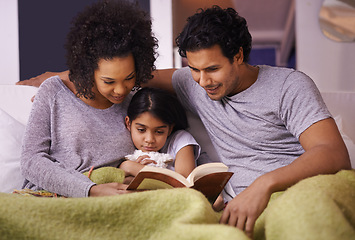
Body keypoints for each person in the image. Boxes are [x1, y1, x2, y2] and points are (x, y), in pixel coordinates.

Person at [18, 5, 352, 239]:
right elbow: (127, 77)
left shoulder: (290, 86)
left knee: (305, 213)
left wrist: (264, 185)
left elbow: (333, 154)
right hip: (242, 206)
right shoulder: (190, 83)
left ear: (238, 55)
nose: (203, 81)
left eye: (212, 69)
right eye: (194, 69)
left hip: (307, 184)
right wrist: (58, 77)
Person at [20, 0, 158, 198]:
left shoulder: (136, 102)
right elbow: (31, 161)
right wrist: (90, 190)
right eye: (108, 81)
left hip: (118, 196)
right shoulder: (53, 92)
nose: (120, 90)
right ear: (88, 71)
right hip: (59, 195)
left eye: (129, 78)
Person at [117, 87, 200, 180]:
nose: (149, 139)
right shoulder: (126, 146)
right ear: (128, 123)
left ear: (169, 129)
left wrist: (133, 168)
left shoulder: (181, 140)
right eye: (141, 130)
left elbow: (183, 183)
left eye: (159, 132)